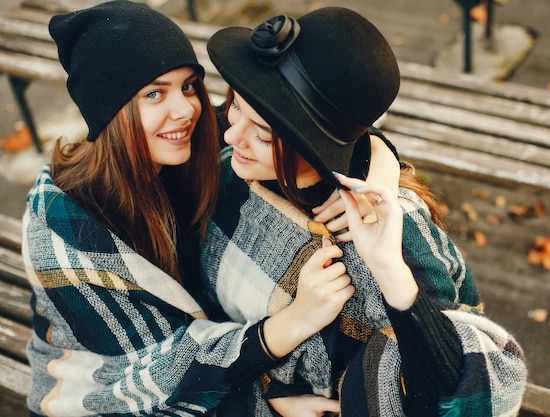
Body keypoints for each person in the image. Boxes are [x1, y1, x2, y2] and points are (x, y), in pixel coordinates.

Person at [22, 2, 398, 416]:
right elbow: (146, 376)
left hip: (216, 348)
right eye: (154, 93)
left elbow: (313, 122)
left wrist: (381, 169)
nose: (184, 109)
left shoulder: (202, 139)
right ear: (108, 110)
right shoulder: (65, 229)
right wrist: (292, 328)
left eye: (188, 85)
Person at [200, 7, 527, 417]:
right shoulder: (228, 163)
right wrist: (267, 395)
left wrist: (389, 269)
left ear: (314, 148)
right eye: (234, 105)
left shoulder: (393, 233)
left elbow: (465, 398)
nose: (231, 134)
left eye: (263, 134)